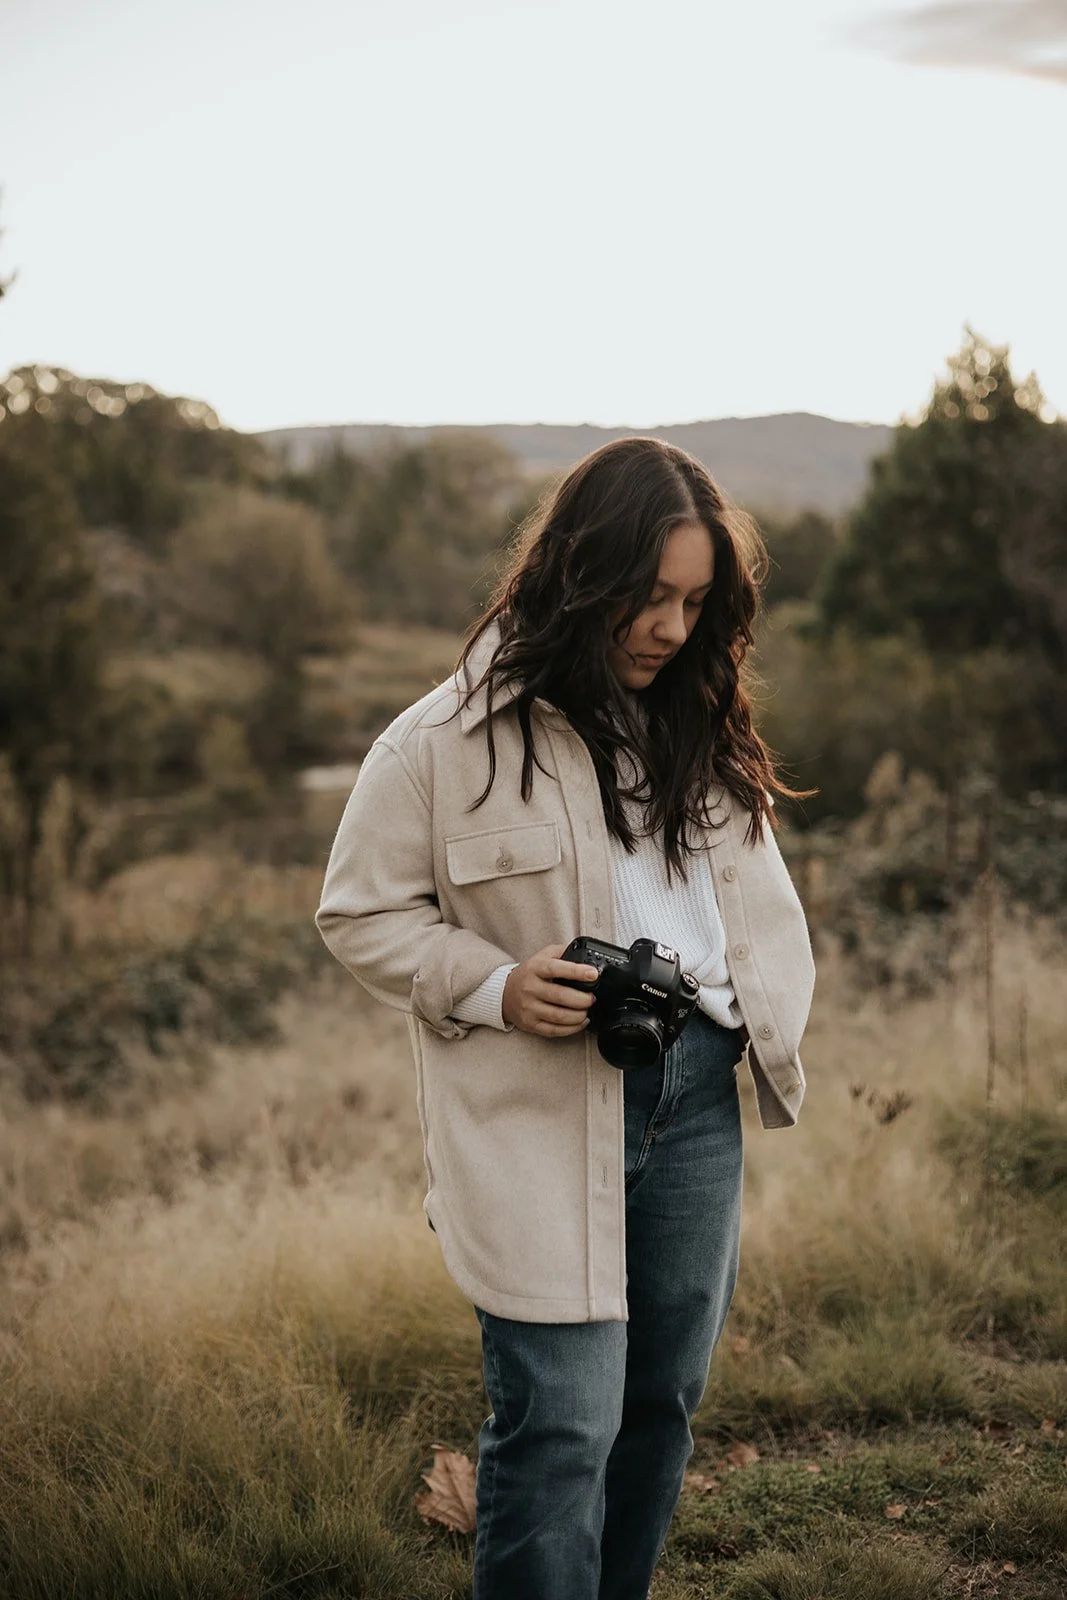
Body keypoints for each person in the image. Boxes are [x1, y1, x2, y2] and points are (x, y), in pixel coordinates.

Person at [315, 436, 817, 1600]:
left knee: (659, 1407)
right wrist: (493, 984)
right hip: (534, 1113)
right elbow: (356, 913)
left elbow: (741, 899)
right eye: (648, 597)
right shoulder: (436, 745)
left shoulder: (697, 713)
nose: (669, 627)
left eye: (693, 602)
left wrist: (750, 1016)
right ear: (580, 573)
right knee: (560, 1424)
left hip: (693, 1094)